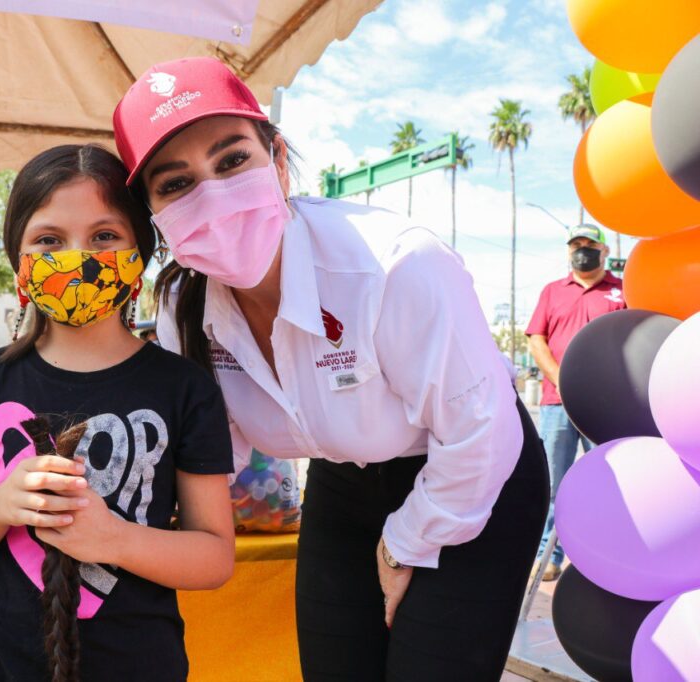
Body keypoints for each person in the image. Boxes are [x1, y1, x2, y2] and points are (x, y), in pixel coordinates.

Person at [113, 57, 550, 681]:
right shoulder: (183, 306)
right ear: (152, 216)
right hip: (342, 485)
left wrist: (405, 548)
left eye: (232, 160)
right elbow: (209, 450)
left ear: (279, 161)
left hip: (473, 472)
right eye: (176, 183)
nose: (212, 195)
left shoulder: (394, 267)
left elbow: (484, 432)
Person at [0, 144, 236, 682]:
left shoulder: (185, 388)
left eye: (104, 236)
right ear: (18, 260)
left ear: (140, 253)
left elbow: (214, 558)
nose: (78, 257)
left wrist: (114, 538)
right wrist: (1, 504)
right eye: (49, 240)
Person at [526, 224, 625, 581]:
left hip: (607, 406)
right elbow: (536, 340)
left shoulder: (622, 291)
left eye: (589, 244)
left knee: (613, 483)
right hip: (557, 403)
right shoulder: (553, 292)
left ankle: (610, 554)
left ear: (604, 250)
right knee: (554, 482)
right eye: (576, 244)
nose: (582, 250)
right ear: (569, 251)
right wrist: (562, 380)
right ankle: (548, 556)